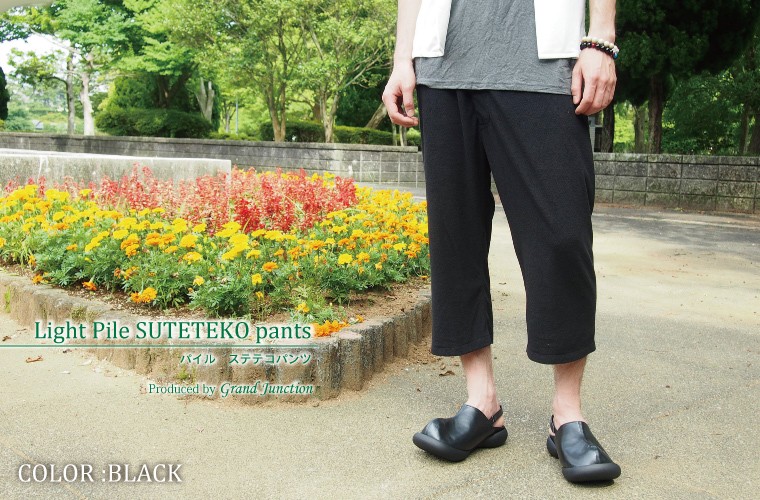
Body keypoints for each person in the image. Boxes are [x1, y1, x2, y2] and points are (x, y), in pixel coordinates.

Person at [382, 0, 621, 483]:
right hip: (444, 70)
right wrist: (402, 57)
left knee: (562, 237)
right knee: (456, 238)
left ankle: (568, 415)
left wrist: (601, 39)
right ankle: (482, 402)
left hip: (542, 67)